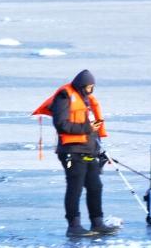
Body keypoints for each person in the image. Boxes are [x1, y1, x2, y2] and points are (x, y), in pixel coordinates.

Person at [33, 70, 120, 237]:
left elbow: (89, 129)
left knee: (95, 187)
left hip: (87, 151)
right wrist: (87, 128)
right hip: (71, 153)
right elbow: (61, 124)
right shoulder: (64, 97)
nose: (90, 91)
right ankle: (74, 226)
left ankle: (97, 223)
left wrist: (98, 150)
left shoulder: (84, 100)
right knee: (75, 188)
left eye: (92, 88)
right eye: (88, 87)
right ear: (81, 86)